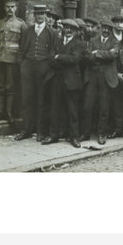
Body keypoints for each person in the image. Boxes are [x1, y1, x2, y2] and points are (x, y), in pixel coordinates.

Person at [14, 4, 57, 141]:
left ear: (45, 15)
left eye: (42, 13)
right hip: (28, 67)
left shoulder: (52, 32)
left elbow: (53, 52)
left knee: (41, 100)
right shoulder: (28, 31)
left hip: (43, 68)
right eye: (37, 14)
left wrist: (47, 66)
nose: (39, 16)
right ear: (34, 15)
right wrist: (22, 64)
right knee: (27, 99)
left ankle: (40, 131)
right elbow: (21, 49)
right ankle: (26, 130)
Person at [42, 19, 84, 148]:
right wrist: (61, 61)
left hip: (72, 81)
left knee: (72, 111)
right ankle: (53, 135)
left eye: (71, 28)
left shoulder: (79, 44)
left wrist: (59, 57)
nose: (68, 30)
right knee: (55, 109)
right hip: (57, 79)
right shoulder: (57, 42)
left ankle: (74, 137)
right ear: (63, 29)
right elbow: (50, 59)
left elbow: (75, 59)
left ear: (76, 31)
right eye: (66, 27)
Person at [81, 20, 120, 144]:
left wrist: (97, 53)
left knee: (104, 107)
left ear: (111, 30)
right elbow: (87, 56)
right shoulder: (93, 40)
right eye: (104, 28)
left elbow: (113, 55)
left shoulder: (115, 42)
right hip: (92, 76)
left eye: (109, 28)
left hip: (106, 77)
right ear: (101, 28)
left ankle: (102, 134)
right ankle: (86, 133)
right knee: (88, 106)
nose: (106, 30)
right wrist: (104, 55)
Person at [0, 0, 27, 124]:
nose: (10, 9)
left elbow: (24, 44)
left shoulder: (21, 24)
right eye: (7, 6)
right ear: (4, 8)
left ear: (16, 8)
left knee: (10, 87)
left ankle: (9, 113)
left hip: (13, 60)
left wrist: (19, 59)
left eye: (12, 7)